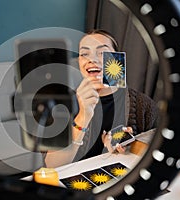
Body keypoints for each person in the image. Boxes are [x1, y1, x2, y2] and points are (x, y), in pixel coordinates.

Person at [44, 29, 158, 168]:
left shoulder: (144, 105)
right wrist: (83, 117)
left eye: (102, 52)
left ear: (117, 58)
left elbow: (159, 149)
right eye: (84, 54)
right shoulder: (62, 104)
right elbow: (51, 165)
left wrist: (130, 147)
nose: (92, 59)